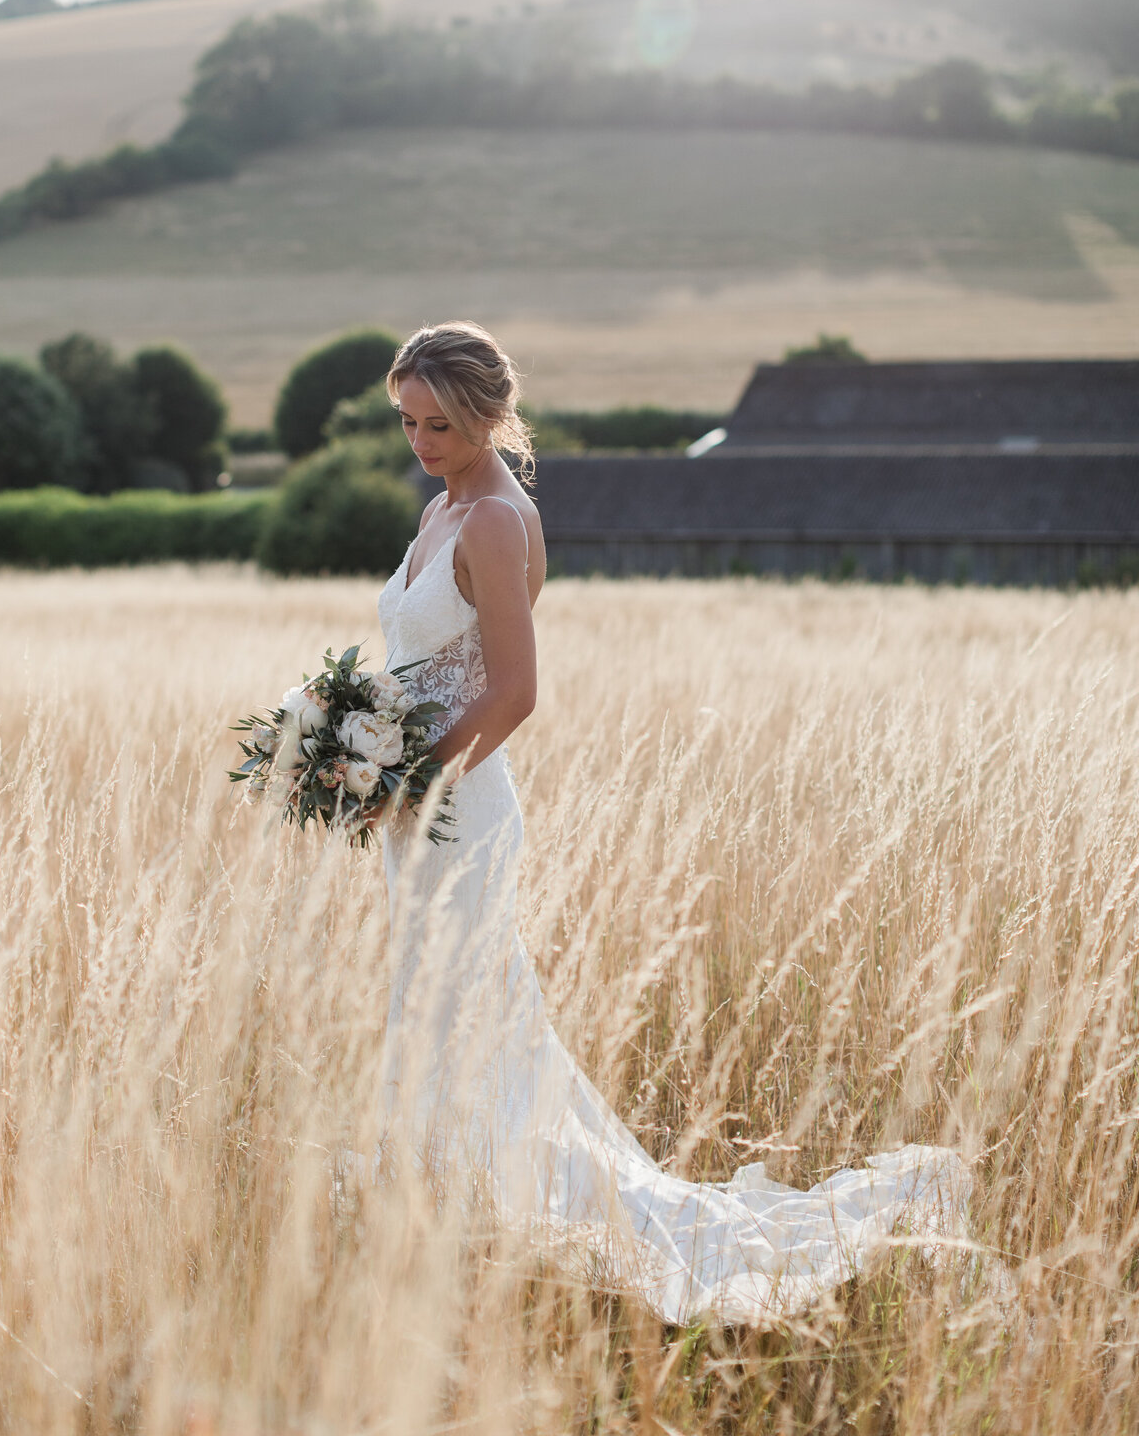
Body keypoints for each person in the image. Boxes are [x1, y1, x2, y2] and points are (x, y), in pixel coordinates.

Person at [373, 320, 968, 1325]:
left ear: (490, 414)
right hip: (419, 804)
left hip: (456, 807)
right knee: (438, 1011)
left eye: (443, 422)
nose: (423, 440)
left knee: (465, 1015)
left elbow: (514, 694)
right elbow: (427, 668)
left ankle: (501, 1206)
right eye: (409, 421)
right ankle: (452, 1201)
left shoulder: (493, 523)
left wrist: (410, 779)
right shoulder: (444, 508)